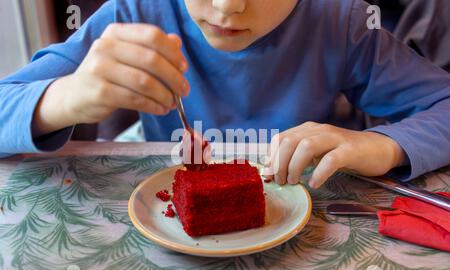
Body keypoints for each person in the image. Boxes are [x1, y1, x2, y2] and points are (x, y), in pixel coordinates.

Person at [0, 0, 449, 189]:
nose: (226, 6)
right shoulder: (135, 11)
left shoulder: (342, 21)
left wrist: (383, 144)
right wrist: (66, 97)